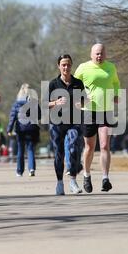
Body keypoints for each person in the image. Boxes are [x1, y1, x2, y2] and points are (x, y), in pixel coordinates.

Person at [74, 43, 120, 193]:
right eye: (97, 54)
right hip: (89, 111)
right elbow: (74, 84)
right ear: (91, 55)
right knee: (89, 147)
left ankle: (105, 178)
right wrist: (78, 98)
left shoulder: (111, 67)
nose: (99, 56)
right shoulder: (83, 67)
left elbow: (115, 82)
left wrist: (117, 94)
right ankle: (87, 175)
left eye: (101, 53)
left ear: (105, 54)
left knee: (105, 145)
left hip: (107, 110)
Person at [48, 54, 85, 195]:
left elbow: (84, 101)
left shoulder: (78, 83)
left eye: (68, 64)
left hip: (74, 121)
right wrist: (56, 103)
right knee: (59, 153)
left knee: (74, 146)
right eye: (63, 64)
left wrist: (80, 103)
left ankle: (73, 181)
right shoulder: (53, 84)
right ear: (59, 66)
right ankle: (59, 183)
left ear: (71, 66)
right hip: (56, 123)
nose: (66, 67)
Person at [6, 83, 40, 177]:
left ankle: (19, 171)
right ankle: (31, 168)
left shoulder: (16, 104)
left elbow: (12, 117)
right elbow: (40, 115)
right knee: (30, 149)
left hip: (20, 129)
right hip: (32, 128)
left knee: (20, 150)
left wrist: (9, 129)